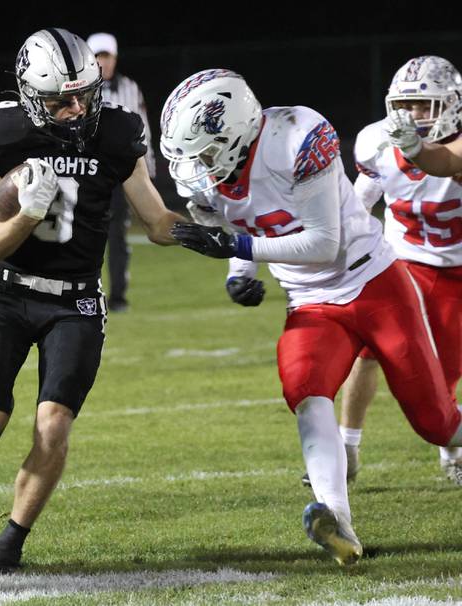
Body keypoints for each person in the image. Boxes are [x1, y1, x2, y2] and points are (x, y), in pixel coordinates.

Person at [160, 69, 462, 566]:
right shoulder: (207, 174)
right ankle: (338, 521)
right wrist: (239, 270)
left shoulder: (299, 136)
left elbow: (322, 242)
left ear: (236, 130)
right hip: (310, 301)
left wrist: (236, 248)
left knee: (435, 421)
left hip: (373, 282)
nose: (200, 166)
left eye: (207, 151)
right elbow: (236, 224)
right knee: (305, 389)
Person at [0, 27, 185, 573]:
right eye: (62, 100)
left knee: (54, 422)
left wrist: (218, 234)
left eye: (84, 93)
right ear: (31, 95)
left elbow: (155, 220)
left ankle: (11, 539)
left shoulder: (116, 132)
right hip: (8, 294)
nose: (77, 107)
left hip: (77, 300)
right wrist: (29, 213)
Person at [302, 56, 462, 488]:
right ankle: (347, 448)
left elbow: (446, 164)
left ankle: (451, 449)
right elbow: (361, 198)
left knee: (443, 367)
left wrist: (416, 149)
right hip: (402, 257)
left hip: (456, 267)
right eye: (405, 105)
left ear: (452, 105)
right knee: (368, 351)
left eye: (424, 105)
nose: (412, 116)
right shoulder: (376, 141)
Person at [85, 32, 157, 312]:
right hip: (86, 171)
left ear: (114, 59)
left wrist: (147, 172)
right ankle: (85, 293)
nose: (103, 62)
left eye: (107, 56)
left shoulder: (130, 88)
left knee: (117, 236)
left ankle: (117, 297)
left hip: (117, 174)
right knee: (85, 234)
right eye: (98, 56)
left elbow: (144, 132)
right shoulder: (78, 88)